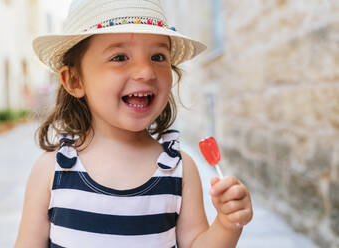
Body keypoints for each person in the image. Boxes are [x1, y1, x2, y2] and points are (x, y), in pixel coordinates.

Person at [15, 0, 253, 247]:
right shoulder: (52, 172)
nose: (146, 72)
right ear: (75, 80)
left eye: (158, 56)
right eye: (120, 57)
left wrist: (226, 225)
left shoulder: (178, 170)